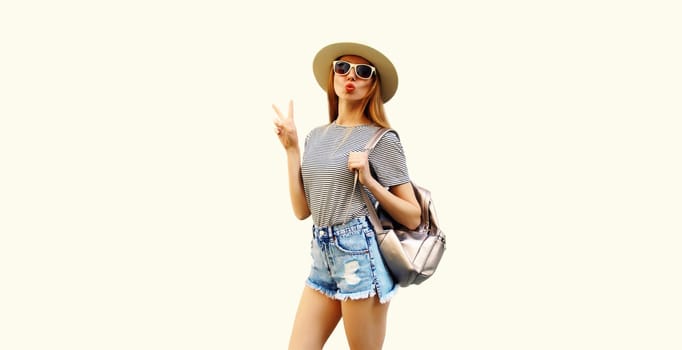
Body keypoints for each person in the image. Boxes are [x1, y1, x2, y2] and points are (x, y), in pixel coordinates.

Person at [272, 42, 421, 350]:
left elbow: (413, 215)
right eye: (342, 67)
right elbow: (302, 212)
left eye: (362, 72)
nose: (350, 76)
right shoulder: (316, 136)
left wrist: (370, 180)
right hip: (321, 254)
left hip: (360, 254)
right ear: (333, 75)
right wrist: (291, 149)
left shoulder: (381, 138)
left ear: (372, 85)